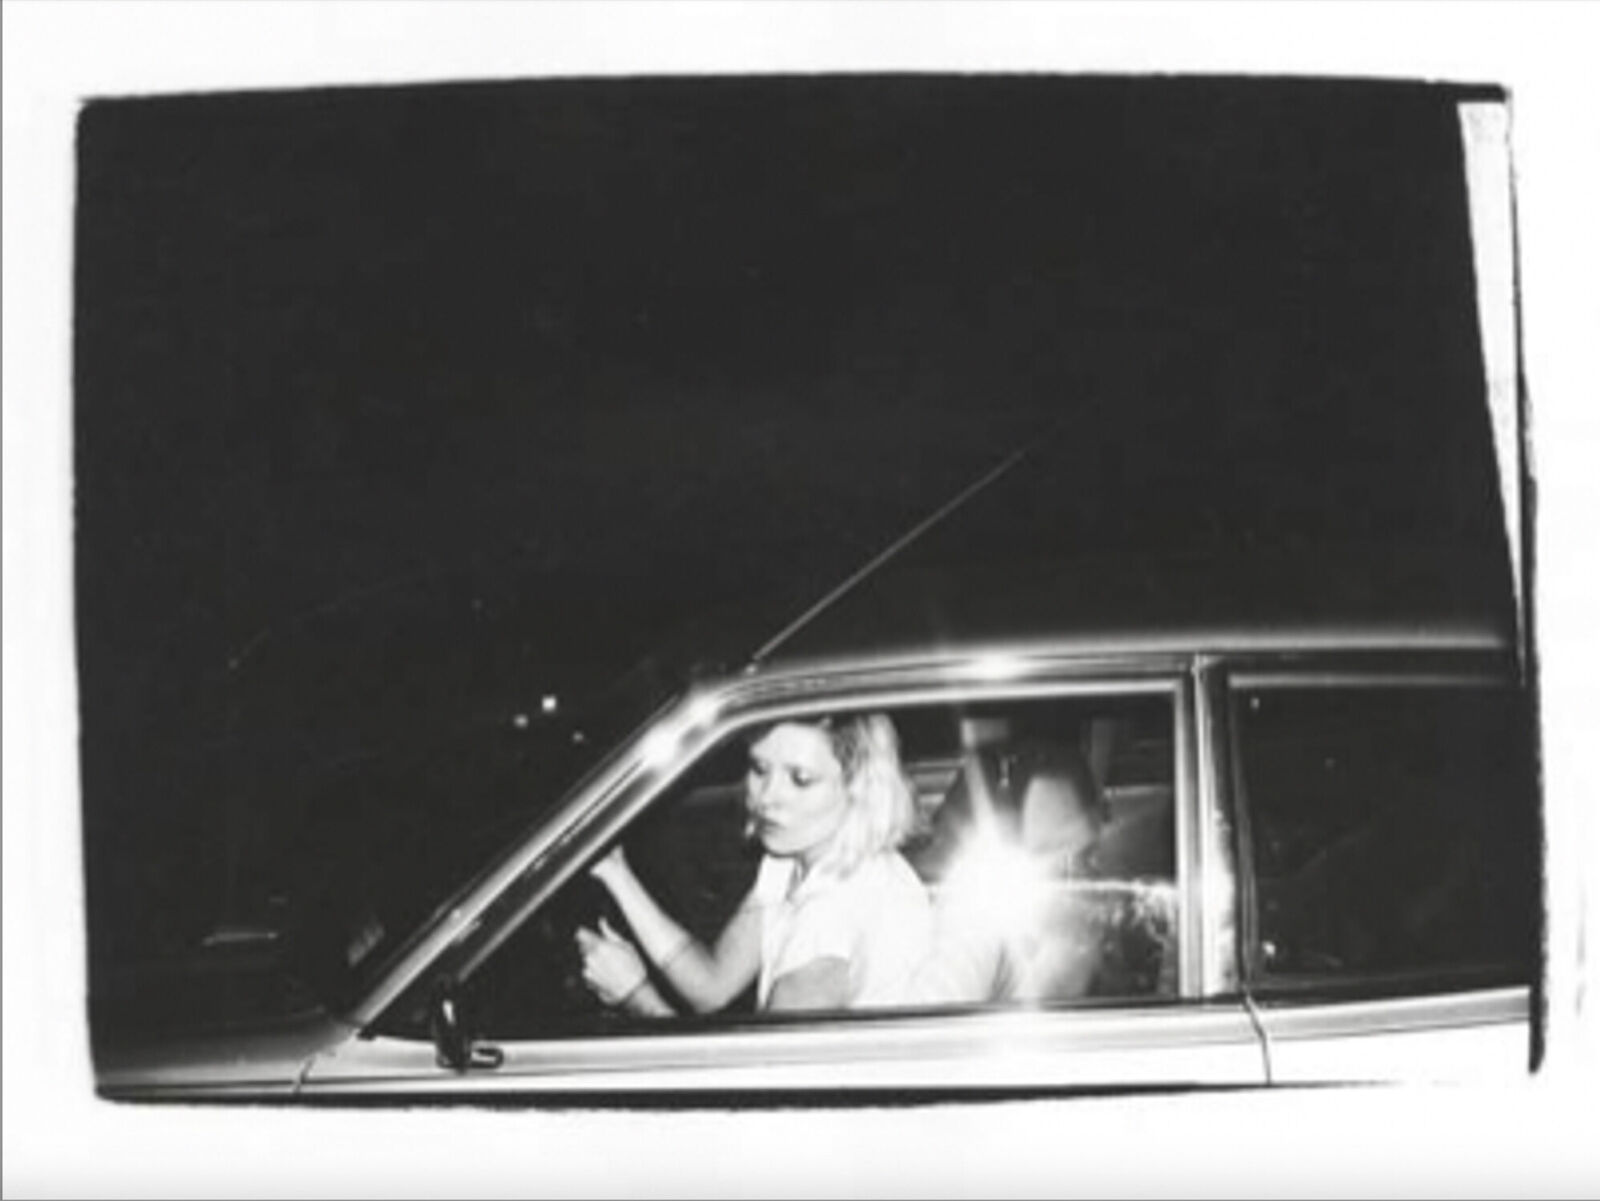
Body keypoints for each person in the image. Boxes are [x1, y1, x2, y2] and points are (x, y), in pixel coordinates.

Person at [574, 712, 933, 1016]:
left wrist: (635, 996)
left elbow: (763, 1087)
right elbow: (712, 987)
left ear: (859, 788)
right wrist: (616, 873)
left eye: (800, 779)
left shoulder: (834, 919)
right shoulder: (795, 856)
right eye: (760, 769)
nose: (767, 798)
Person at [911, 741, 1114, 1004]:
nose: (1073, 877)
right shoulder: (978, 912)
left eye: (1085, 856)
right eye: (1047, 852)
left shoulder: (1126, 908)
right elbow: (938, 1019)